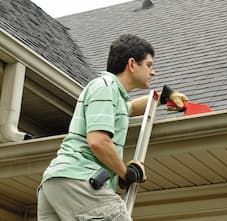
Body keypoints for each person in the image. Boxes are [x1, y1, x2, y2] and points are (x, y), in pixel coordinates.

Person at [37, 34, 188, 221]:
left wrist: (164, 96)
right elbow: (98, 142)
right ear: (132, 64)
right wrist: (125, 173)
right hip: (80, 179)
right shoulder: (105, 87)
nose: (153, 72)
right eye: (149, 65)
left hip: (57, 183)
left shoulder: (110, 93)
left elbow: (130, 108)